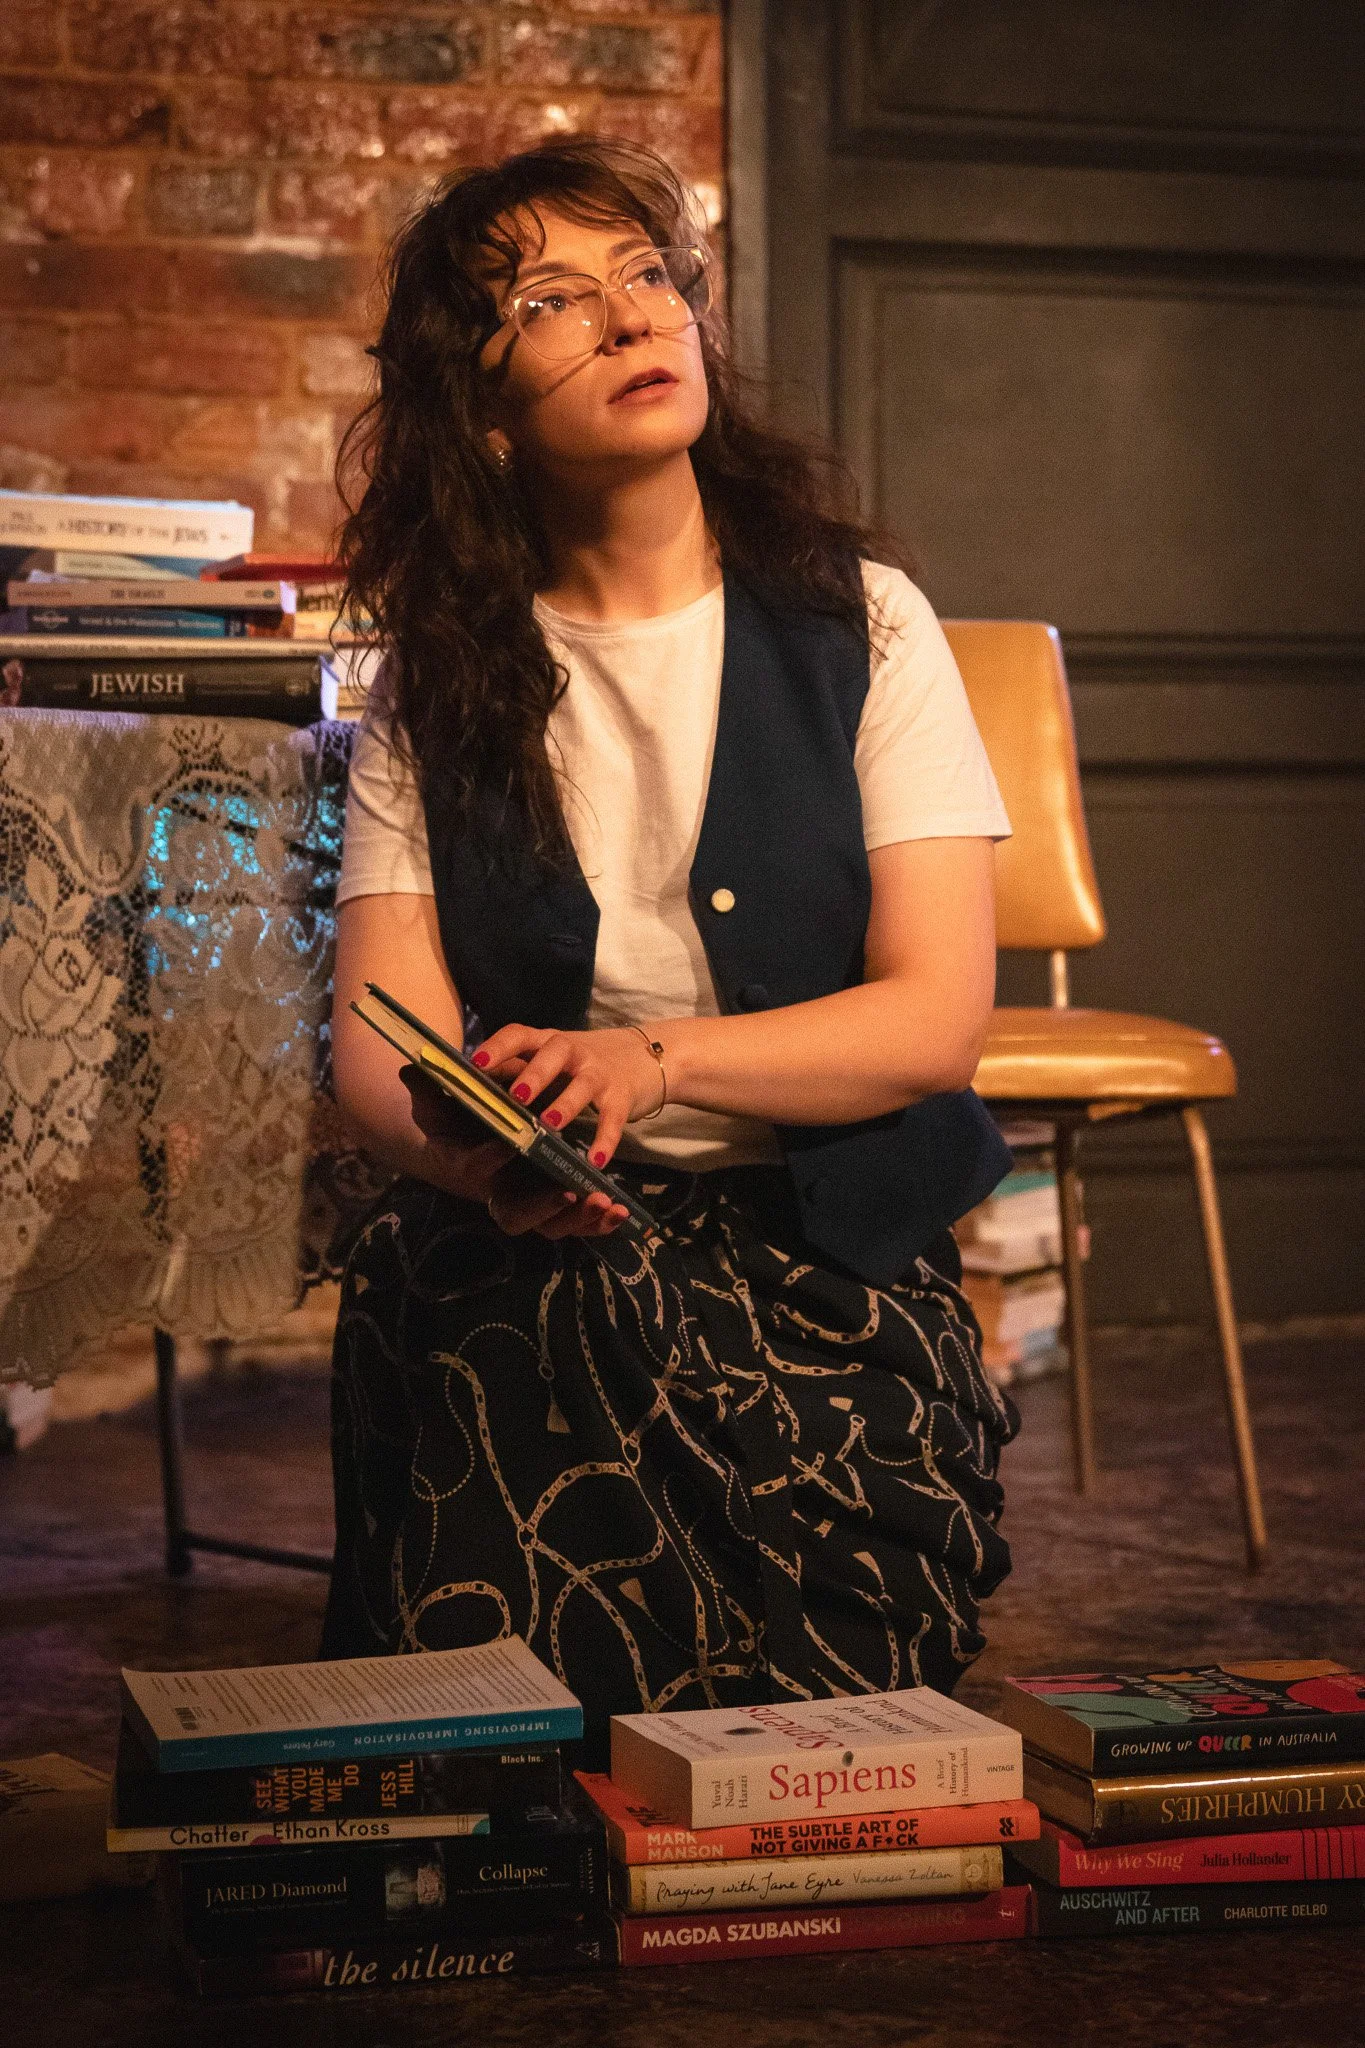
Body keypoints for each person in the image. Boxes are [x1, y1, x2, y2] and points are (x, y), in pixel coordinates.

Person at [321, 136, 1018, 1750]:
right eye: (553, 301)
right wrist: (480, 1165)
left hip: (820, 1258)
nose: (633, 319)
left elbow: (933, 1022)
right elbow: (377, 1039)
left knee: (839, 1726)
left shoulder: (866, 623)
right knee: (514, 1726)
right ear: (481, 407)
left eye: (648, 277)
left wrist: (659, 1062)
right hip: (539, 1269)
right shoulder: (437, 677)